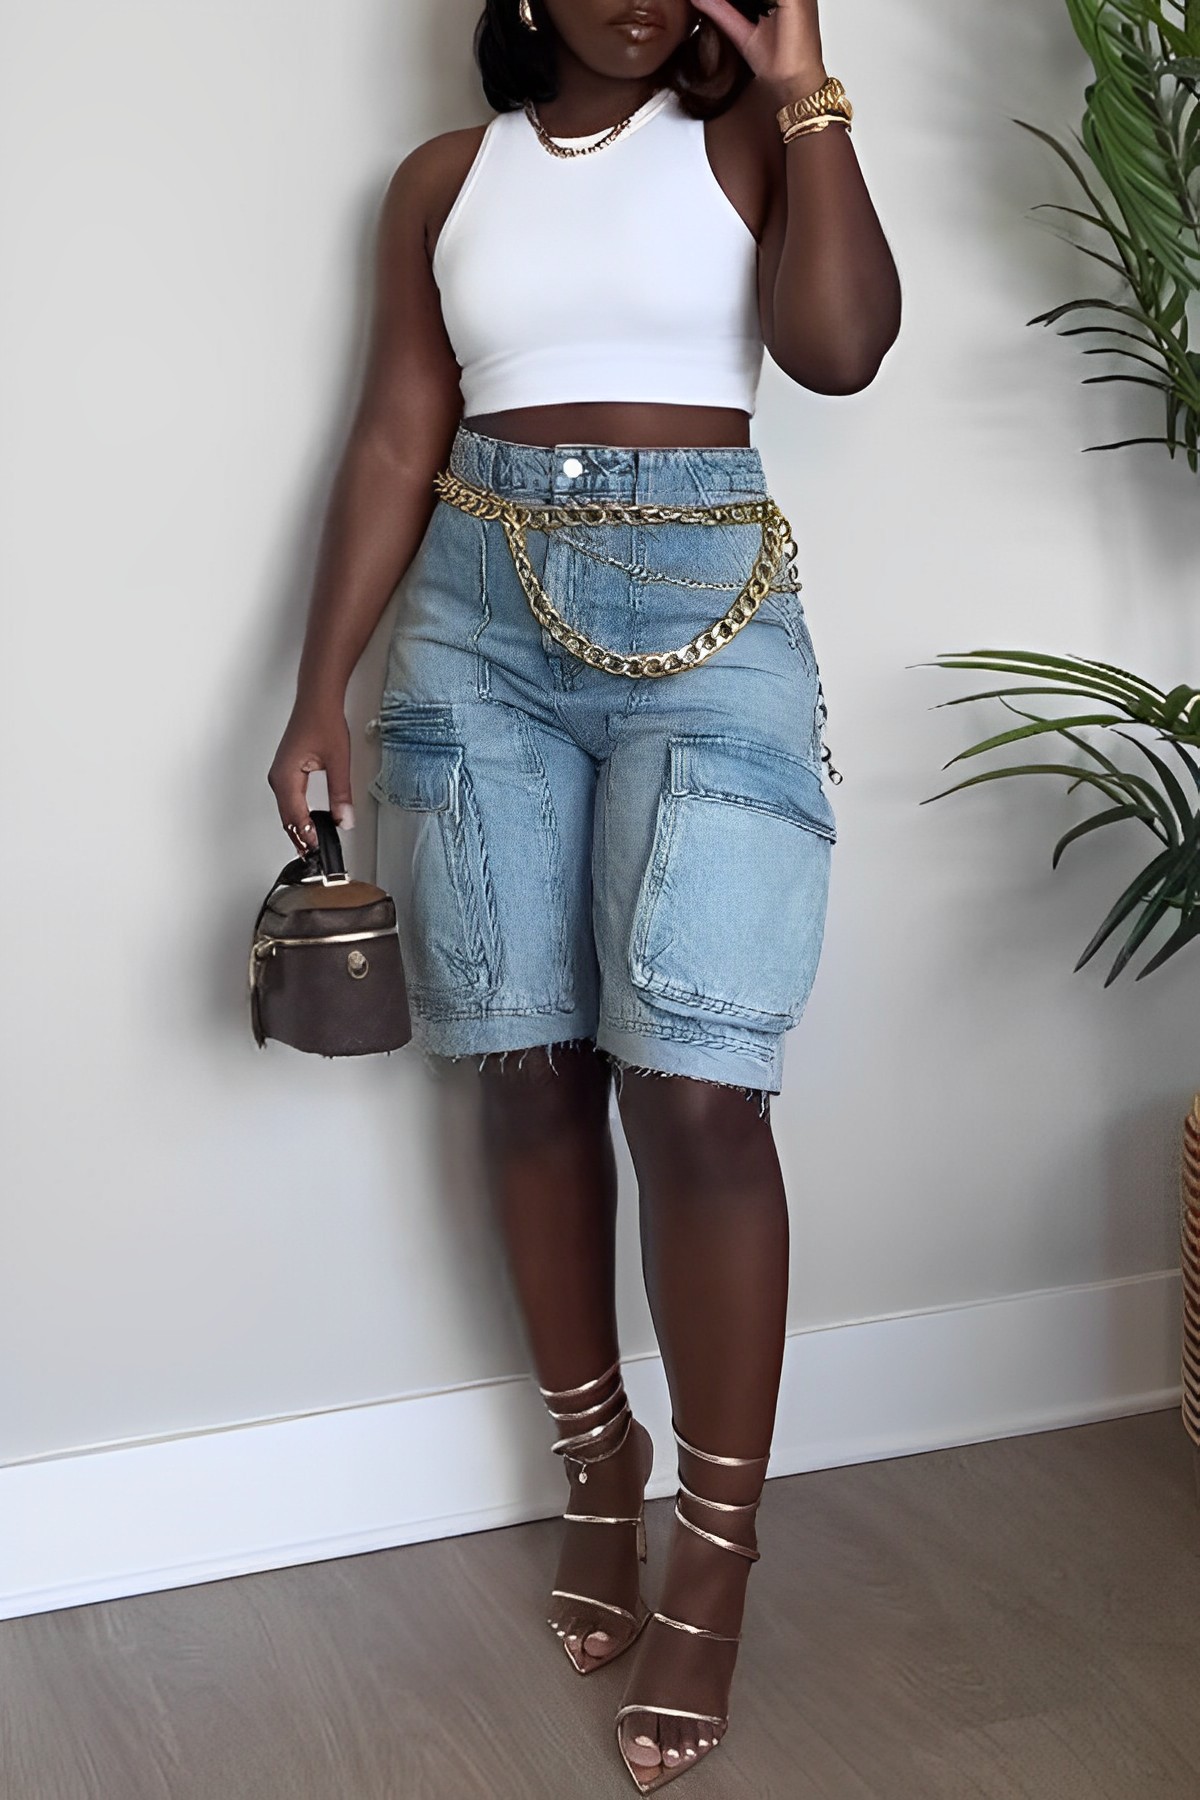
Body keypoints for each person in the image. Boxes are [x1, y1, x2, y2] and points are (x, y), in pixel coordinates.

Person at [268, 0, 899, 1788]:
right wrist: (317, 693)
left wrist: (807, 94)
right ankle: (595, 1468)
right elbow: (398, 436)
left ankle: (719, 1550)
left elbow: (841, 351)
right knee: (528, 1065)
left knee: (696, 1090)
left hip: (712, 617)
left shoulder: (755, 137)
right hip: (476, 621)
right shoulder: (441, 180)